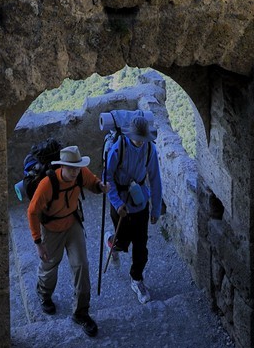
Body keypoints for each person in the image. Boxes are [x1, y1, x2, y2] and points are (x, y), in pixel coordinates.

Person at [27, 142, 104, 336]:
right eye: (71, 169)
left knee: (82, 265)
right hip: (52, 229)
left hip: (72, 222)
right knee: (50, 264)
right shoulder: (47, 183)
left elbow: (92, 182)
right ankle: (44, 295)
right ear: (62, 166)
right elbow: (32, 212)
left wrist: (100, 186)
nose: (75, 172)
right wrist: (38, 242)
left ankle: (81, 312)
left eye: (77, 168)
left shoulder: (80, 173)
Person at [105, 112, 163, 304]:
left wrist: (155, 209)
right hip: (121, 203)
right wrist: (117, 202)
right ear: (130, 135)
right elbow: (108, 178)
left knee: (141, 245)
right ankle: (111, 241)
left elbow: (155, 179)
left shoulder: (149, 150)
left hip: (140, 202)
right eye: (137, 139)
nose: (140, 142)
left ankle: (136, 279)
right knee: (123, 242)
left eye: (143, 139)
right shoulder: (117, 149)